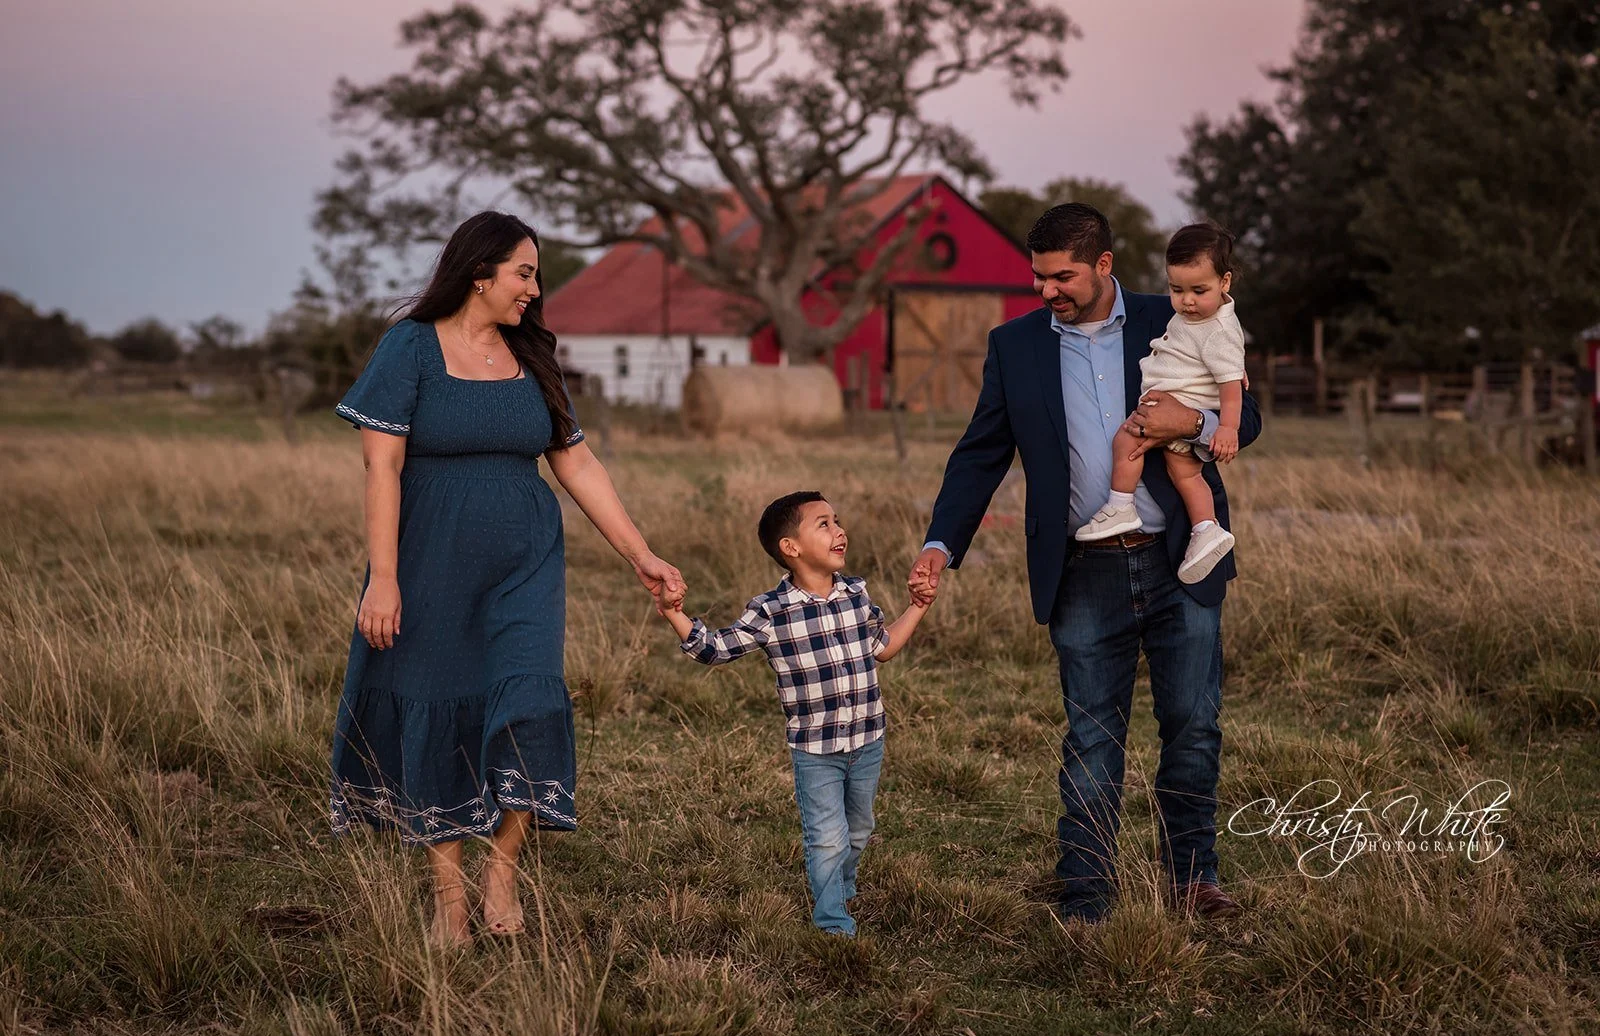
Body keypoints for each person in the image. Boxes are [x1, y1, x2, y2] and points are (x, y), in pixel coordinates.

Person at [329, 211, 686, 949]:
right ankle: (449, 904)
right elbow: (381, 466)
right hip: (428, 562)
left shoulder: (534, 358)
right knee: (443, 710)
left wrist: (639, 553)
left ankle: (503, 868)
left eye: (535, 274)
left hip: (525, 563)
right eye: (524, 272)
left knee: (527, 701)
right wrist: (384, 578)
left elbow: (577, 463)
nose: (534, 287)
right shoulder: (410, 350)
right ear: (479, 272)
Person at [907, 204, 1262, 924]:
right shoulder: (1016, 346)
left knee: (1193, 726)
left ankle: (1193, 880)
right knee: (1092, 737)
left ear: (1103, 265)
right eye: (1037, 278)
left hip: (1181, 561)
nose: (1047, 291)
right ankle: (1089, 895)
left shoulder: (1183, 309)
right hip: (1081, 571)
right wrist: (941, 542)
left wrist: (1188, 425)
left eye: (1061, 276)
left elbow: (1243, 418)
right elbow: (981, 454)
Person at [659, 492, 929, 936]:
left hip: (868, 739)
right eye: (823, 524)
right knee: (827, 838)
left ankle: (842, 886)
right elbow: (715, 649)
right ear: (791, 548)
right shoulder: (770, 612)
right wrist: (675, 613)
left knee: (859, 829)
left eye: (837, 521)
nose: (839, 530)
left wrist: (918, 606)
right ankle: (833, 924)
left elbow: (881, 647)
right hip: (816, 750)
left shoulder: (856, 594)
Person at [1074, 222, 1246, 585]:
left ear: (1225, 282)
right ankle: (1206, 529)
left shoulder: (1217, 331)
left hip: (1179, 406)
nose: (1187, 301)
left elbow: (1232, 390)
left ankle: (1121, 506)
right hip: (1173, 399)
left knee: (1125, 442)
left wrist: (1225, 427)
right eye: (1176, 289)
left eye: (1199, 290)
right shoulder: (1195, 317)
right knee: (1184, 474)